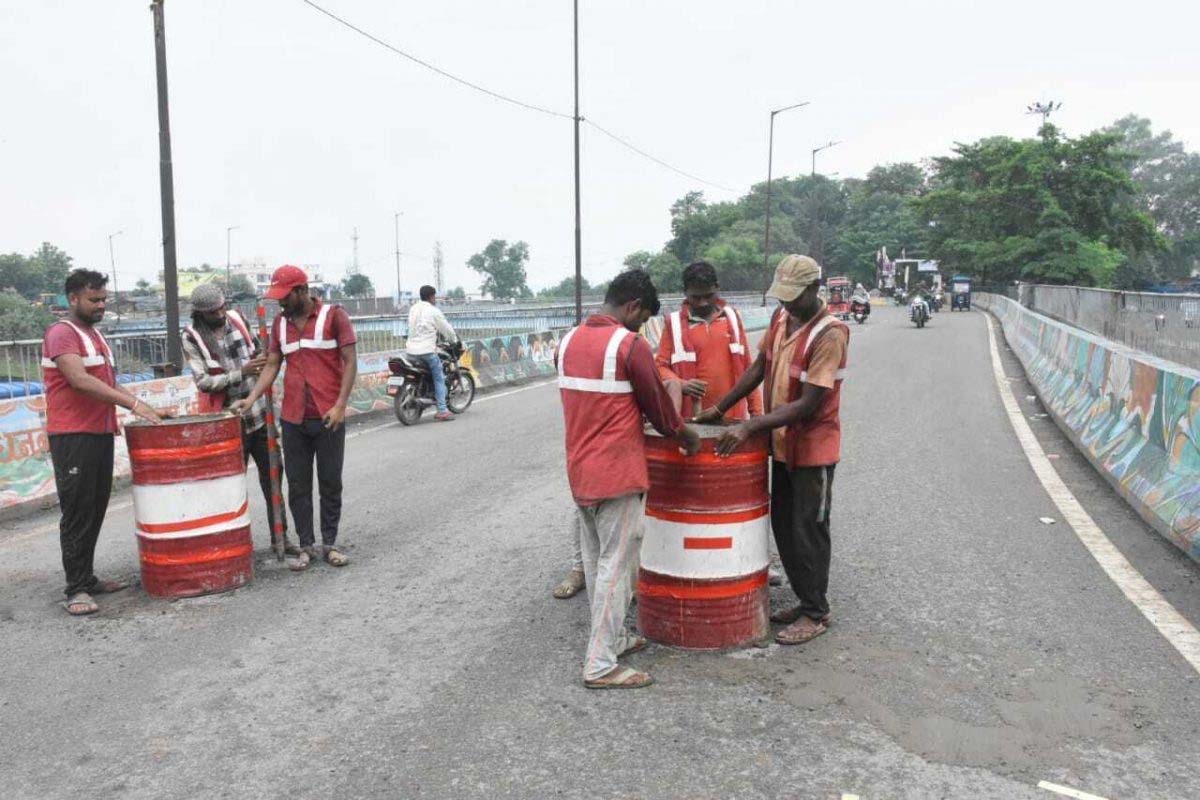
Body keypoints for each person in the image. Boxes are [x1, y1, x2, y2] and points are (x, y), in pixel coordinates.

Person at [557, 269, 701, 689]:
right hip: (617, 474)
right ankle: (600, 664)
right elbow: (659, 408)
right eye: (641, 319)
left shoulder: (566, 342)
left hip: (579, 471)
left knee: (595, 559)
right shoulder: (628, 345)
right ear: (633, 306)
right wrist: (687, 436)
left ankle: (614, 638)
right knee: (616, 568)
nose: (641, 328)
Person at [696, 255, 849, 646]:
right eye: (781, 297)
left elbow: (809, 403)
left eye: (793, 297)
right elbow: (757, 367)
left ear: (815, 289)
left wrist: (749, 426)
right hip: (781, 445)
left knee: (808, 529)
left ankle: (816, 611)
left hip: (812, 448)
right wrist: (721, 407)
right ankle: (804, 598)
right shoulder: (783, 319)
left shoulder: (830, 333)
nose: (786, 304)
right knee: (783, 525)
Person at [42, 269, 164, 616]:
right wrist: (133, 404)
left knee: (95, 506)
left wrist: (145, 406)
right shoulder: (62, 334)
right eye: (94, 299)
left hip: (98, 433)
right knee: (78, 510)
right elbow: (79, 381)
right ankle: (76, 588)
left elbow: (109, 384)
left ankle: (87, 577)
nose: (101, 305)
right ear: (73, 299)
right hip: (73, 435)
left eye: (104, 299)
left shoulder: (95, 336)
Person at [234, 265, 357, 571]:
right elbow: (273, 364)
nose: (281, 303)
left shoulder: (334, 316)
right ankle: (306, 546)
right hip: (293, 417)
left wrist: (341, 405)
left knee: (330, 481)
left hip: (328, 415)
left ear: (302, 291)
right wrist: (250, 399)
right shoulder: (279, 324)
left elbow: (350, 361)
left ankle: (329, 543)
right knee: (298, 485)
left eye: (285, 297)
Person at [182, 283, 297, 555]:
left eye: (222, 306)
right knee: (229, 488)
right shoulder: (192, 337)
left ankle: (281, 538)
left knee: (273, 481)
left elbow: (259, 353)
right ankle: (233, 546)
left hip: (259, 416)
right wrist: (243, 372)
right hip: (227, 423)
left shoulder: (237, 319)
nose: (221, 313)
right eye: (213, 312)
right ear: (200, 313)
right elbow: (205, 382)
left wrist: (261, 361)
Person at [655, 260, 763, 420]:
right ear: (685, 292)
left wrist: (757, 413)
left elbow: (748, 368)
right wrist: (680, 384)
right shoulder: (673, 324)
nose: (703, 303)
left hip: (732, 420)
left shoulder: (732, 318)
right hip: (691, 421)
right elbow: (659, 367)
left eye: (708, 296)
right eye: (696, 297)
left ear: (717, 288)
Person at [406, 285, 460, 421]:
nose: (435, 299)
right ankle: (442, 410)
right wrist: (453, 340)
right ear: (431, 296)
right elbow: (445, 328)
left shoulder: (413, 308)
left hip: (410, 351)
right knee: (439, 377)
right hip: (427, 351)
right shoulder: (433, 311)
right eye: (434, 296)